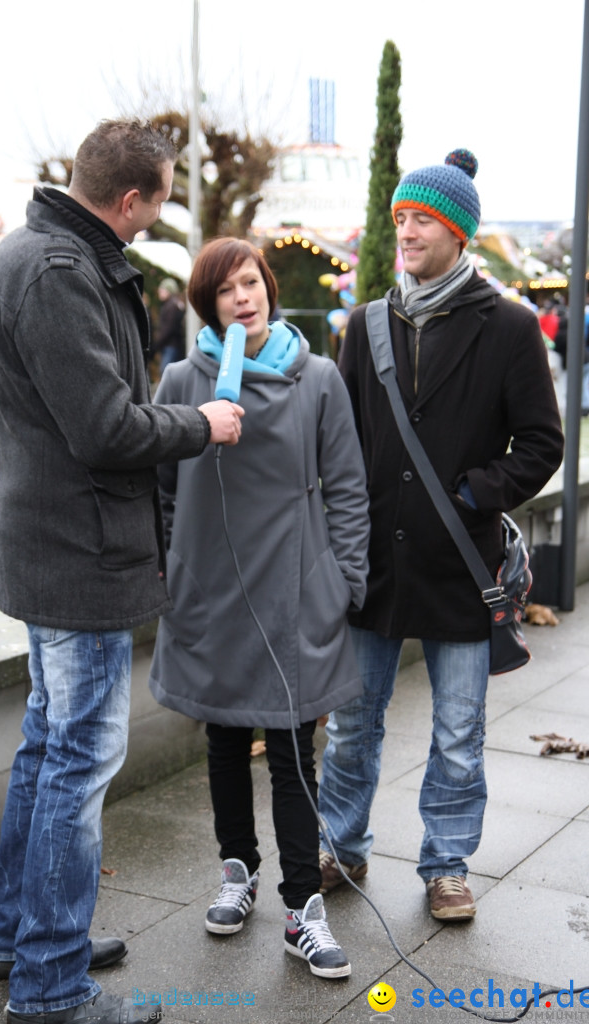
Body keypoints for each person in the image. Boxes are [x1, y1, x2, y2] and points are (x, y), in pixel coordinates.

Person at [0, 118, 243, 1024]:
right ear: (129, 198)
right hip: (77, 560)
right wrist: (201, 424)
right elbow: (107, 429)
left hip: (46, 548)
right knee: (77, 762)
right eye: (158, 200)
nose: (154, 218)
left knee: (48, 747)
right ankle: (51, 985)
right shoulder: (60, 270)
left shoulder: (23, 253)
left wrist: (41, 476)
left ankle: (24, 934)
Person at [317, 150, 564, 921]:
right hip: (371, 566)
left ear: (458, 232)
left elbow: (540, 443)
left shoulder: (511, 327)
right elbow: (342, 442)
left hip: (462, 564)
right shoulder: (363, 326)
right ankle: (338, 842)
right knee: (352, 721)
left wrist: (470, 494)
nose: (406, 231)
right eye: (398, 219)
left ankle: (446, 863)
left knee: (459, 730)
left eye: (421, 218)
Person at [148, 237, 369, 978]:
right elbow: (159, 489)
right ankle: (235, 870)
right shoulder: (183, 379)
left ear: (268, 288)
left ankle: (302, 905)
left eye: (251, 283)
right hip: (211, 591)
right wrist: (174, 571)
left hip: (294, 593)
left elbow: (345, 486)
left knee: (291, 750)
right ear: (206, 306)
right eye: (224, 291)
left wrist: (343, 582)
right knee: (222, 737)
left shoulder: (318, 380)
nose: (242, 298)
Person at [152, 277, 186, 373]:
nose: (159, 292)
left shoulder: (172, 306)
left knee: (166, 373)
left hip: (170, 346)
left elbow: (168, 328)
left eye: (162, 290)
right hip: (172, 346)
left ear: (169, 291)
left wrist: (157, 344)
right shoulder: (174, 304)